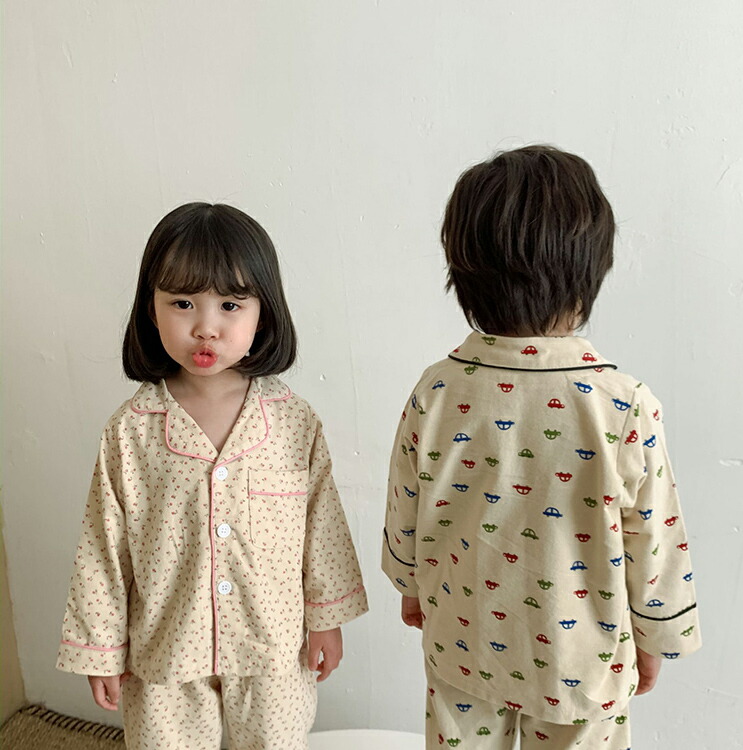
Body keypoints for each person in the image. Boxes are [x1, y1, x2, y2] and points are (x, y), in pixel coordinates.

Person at [382, 146, 701, 749]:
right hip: (581, 658)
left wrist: (411, 585)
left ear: (464, 271)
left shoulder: (439, 389)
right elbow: (655, 534)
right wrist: (657, 635)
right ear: (590, 271)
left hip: (464, 641)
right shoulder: (621, 403)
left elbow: (407, 503)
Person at [57, 203, 368, 749]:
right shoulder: (131, 431)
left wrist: (326, 617)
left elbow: (322, 528)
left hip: (274, 648)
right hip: (164, 650)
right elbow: (104, 548)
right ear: (150, 310)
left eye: (230, 305)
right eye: (182, 303)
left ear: (262, 314)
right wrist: (100, 648)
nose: (206, 326)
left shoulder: (294, 422)